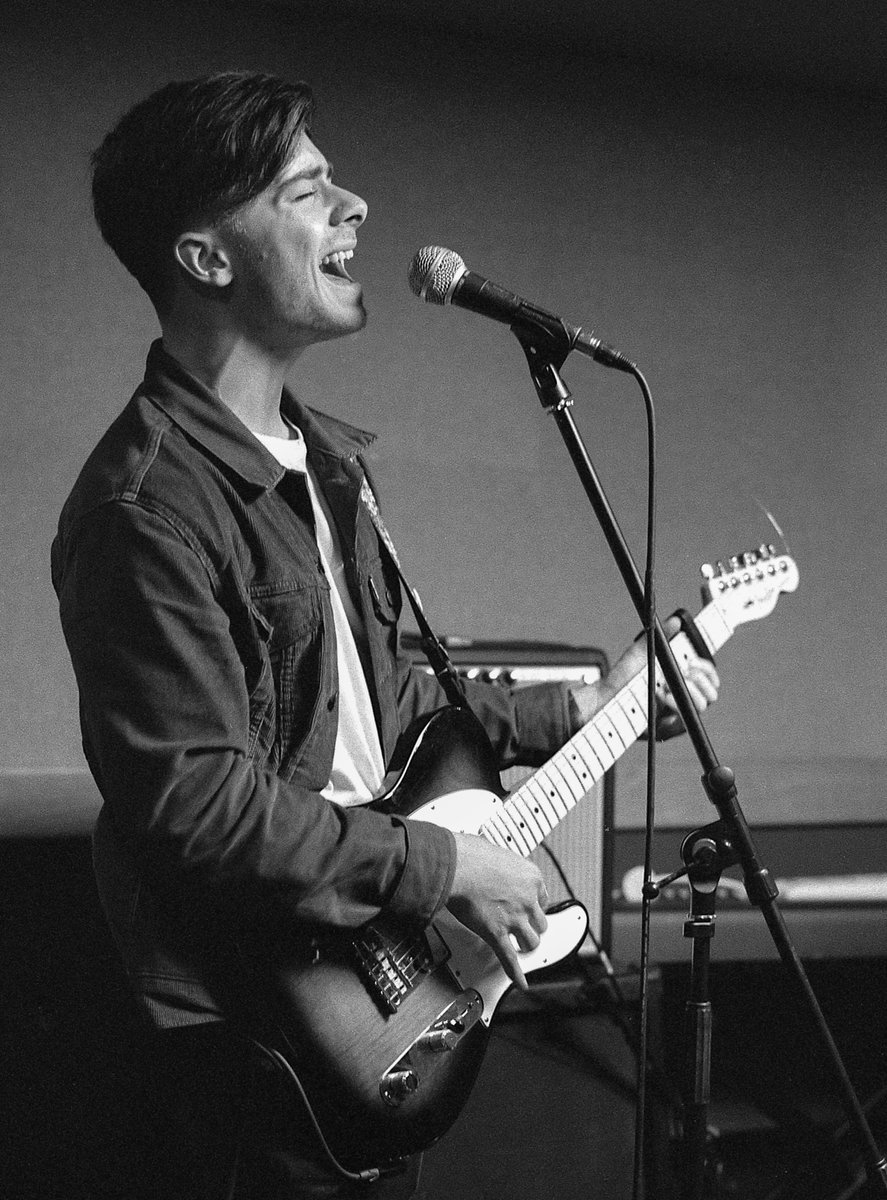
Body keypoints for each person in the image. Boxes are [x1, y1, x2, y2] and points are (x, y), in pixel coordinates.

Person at [51, 70, 719, 1200]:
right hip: (256, 1038)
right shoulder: (145, 510)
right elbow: (197, 810)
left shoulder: (323, 464)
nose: (354, 206)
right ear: (207, 259)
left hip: (372, 997)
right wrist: (439, 865)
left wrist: (589, 709)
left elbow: (385, 705)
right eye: (307, 190)